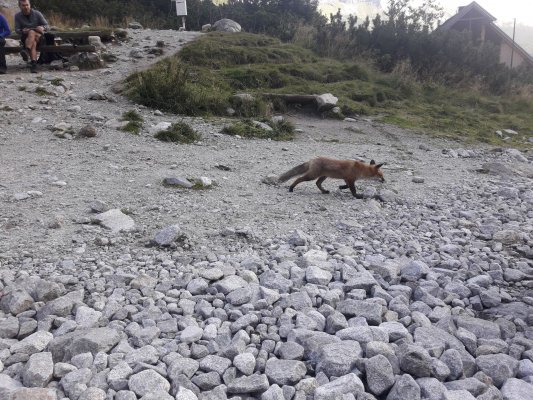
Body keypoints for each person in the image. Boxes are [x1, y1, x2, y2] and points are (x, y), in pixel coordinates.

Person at [14, 0, 48, 73]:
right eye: (23, 5)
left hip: (39, 36)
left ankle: (27, 51)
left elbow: (47, 25)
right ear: (20, 6)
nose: (26, 7)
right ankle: (34, 65)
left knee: (32, 32)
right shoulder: (17, 16)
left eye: (27, 5)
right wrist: (22, 31)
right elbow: (17, 29)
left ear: (30, 5)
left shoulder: (37, 13)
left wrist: (42, 28)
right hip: (26, 37)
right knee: (33, 43)